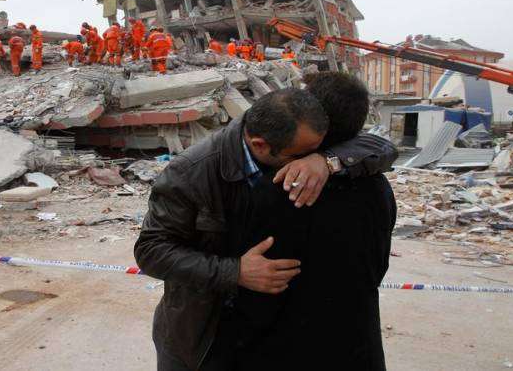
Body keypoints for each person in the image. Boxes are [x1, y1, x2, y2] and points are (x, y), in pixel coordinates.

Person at [133, 87, 397, 371]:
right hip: (198, 336)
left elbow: (380, 146)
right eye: (302, 154)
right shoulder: (192, 172)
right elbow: (150, 251)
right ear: (260, 145)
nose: (304, 164)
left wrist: (326, 161)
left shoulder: (295, 143)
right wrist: (235, 271)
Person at [210, 73, 396, 370]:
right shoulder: (378, 186)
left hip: (286, 349)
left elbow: (256, 292)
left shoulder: (279, 189)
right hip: (359, 345)